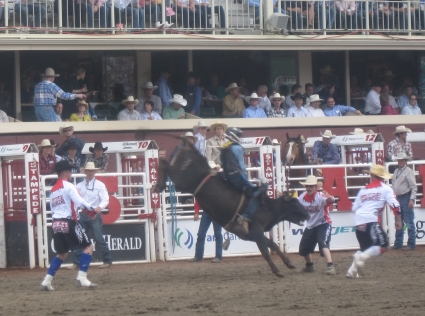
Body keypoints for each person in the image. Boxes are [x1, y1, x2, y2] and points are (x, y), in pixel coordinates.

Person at [40, 160, 97, 291]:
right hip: (69, 221)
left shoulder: (53, 190)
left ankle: (46, 281)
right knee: (88, 246)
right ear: (65, 172)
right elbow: (79, 201)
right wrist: (91, 210)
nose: (71, 172)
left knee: (62, 253)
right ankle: (82, 277)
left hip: (56, 223)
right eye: (70, 170)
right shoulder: (69, 186)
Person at [346, 164, 401, 279]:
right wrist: (398, 219)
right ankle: (360, 259)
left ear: (372, 176)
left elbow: (354, 208)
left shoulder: (363, 190)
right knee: (383, 245)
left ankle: (352, 271)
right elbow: (394, 205)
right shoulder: (386, 189)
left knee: (365, 248)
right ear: (382, 177)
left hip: (359, 220)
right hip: (371, 219)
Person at [220, 127, 266, 234]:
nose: (240, 138)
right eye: (238, 135)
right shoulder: (237, 147)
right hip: (237, 178)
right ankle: (246, 216)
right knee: (258, 193)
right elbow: (242, 167)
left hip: (228, 178)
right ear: (234, 135)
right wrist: (247, 181)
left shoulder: (225, 148)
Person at [68, 162, 112, 269]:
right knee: (81, 238)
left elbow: (105, 199)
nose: (90, 172)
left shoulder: (99, 185)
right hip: (84, 214)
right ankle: (78, 262)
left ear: (95, 172)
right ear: (86, 172)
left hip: (94, 214)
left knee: (98, 238)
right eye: (89, 171)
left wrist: (99, 208)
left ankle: (107, 260)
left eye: (92, 171)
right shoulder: (79, 186)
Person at [298, 175, 336, 275]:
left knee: (322, 242)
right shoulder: (302, 197)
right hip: (311, 225)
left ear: (316, 187)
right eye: (307, 186)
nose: (309, 188)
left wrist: (331, 197)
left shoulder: (320, 196)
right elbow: (294, 203)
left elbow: (331, 200)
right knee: (303, 249)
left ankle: (330, 265)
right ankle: (309, 266)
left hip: (323, 223)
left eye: (311, 186)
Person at [188, 161, 223, 263]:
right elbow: (199, 198)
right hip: (210, 211)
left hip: (214, 211)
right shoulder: (208, 183)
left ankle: (205, 256)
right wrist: (196, 211)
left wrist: (197, 211)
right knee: (203, 233)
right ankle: (202, 256)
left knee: (216, 234)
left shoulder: (217, 182)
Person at [391, 153, 417, 251]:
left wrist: (411, 199)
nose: (400, 161)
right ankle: (399, 243)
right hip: (398, 197)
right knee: (399, 220)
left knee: (408, 221)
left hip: (405, 197)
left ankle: (409, 244)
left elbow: (413, 187)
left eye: (402, 160)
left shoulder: (408, 171)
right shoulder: (397, 171)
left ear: (405, 161)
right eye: (399, 160)